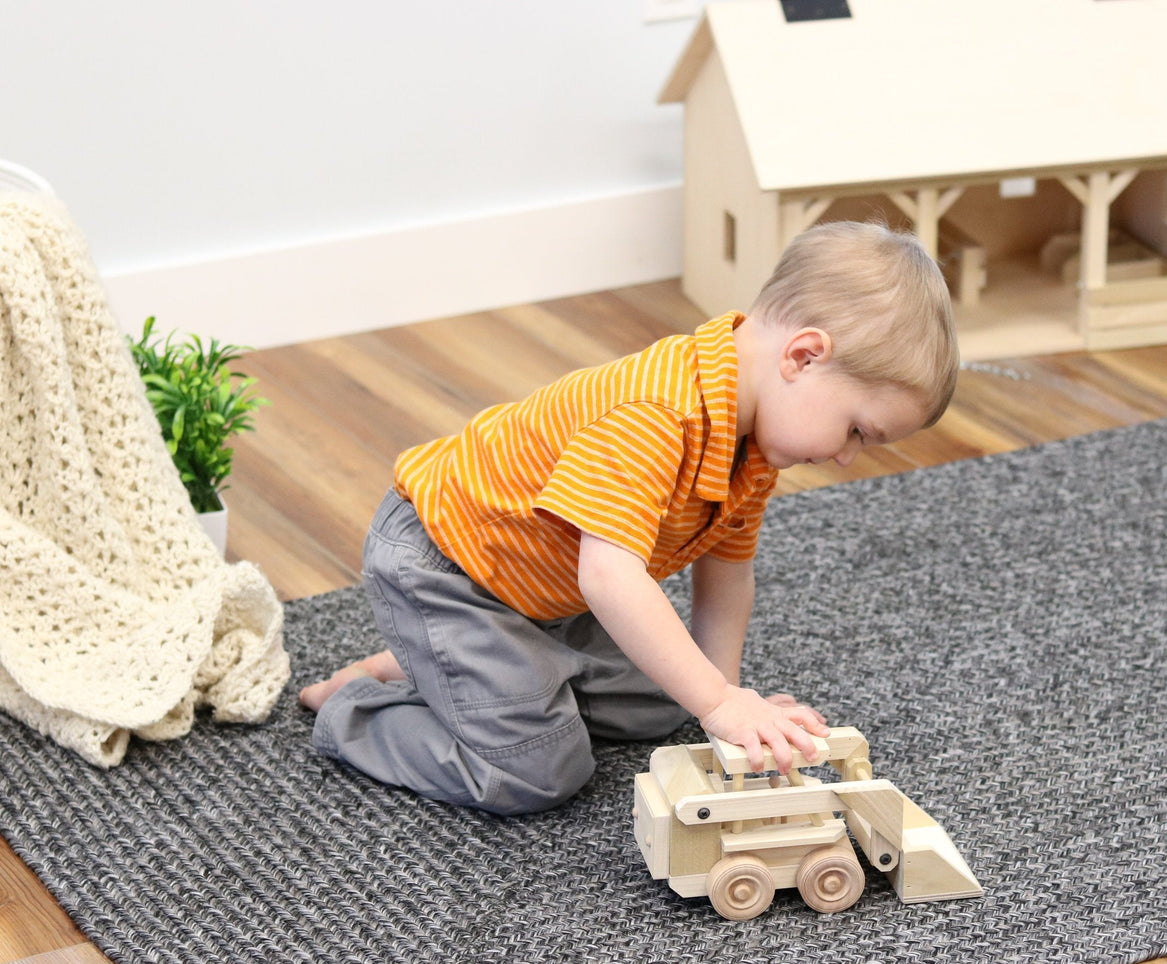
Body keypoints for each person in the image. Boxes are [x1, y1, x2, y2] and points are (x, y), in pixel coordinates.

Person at [300, 220, 959, 814]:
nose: (846, 457)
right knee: (537, 770)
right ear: (803, 355)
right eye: (855, 431)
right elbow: (611, 579)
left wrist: (721, 698)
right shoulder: (656, 411)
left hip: (538, 588)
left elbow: (726, 577)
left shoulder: (755, 444)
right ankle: (360, 708)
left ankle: (460, 666)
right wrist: (721, 703)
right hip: (444, 568)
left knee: (670, 697)